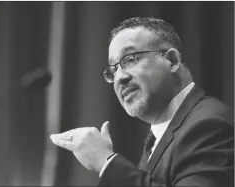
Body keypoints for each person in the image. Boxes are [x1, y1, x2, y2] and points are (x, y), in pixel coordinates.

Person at [50, 17, 234, 186]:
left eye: (130, 59)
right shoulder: (160, 133)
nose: (120, 77)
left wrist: (106, 162)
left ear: (171, 60)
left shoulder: (209, 124)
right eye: (113, 71)